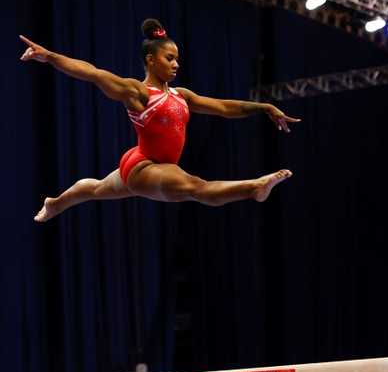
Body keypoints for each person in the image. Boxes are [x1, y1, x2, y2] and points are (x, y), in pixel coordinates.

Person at [19, 19, 301, 222]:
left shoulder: (182, 95)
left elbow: (224, 108)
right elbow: (93, 73)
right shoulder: (139, 92)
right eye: (170, 58)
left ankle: (55, 204)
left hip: (148, 164)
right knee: (196, 187)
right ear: (151, 60)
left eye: (177, 58)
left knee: (94, 189)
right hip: (145, 166)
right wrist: (50, 56)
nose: (176, 64)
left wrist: (264, 107)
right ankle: (253, 188)